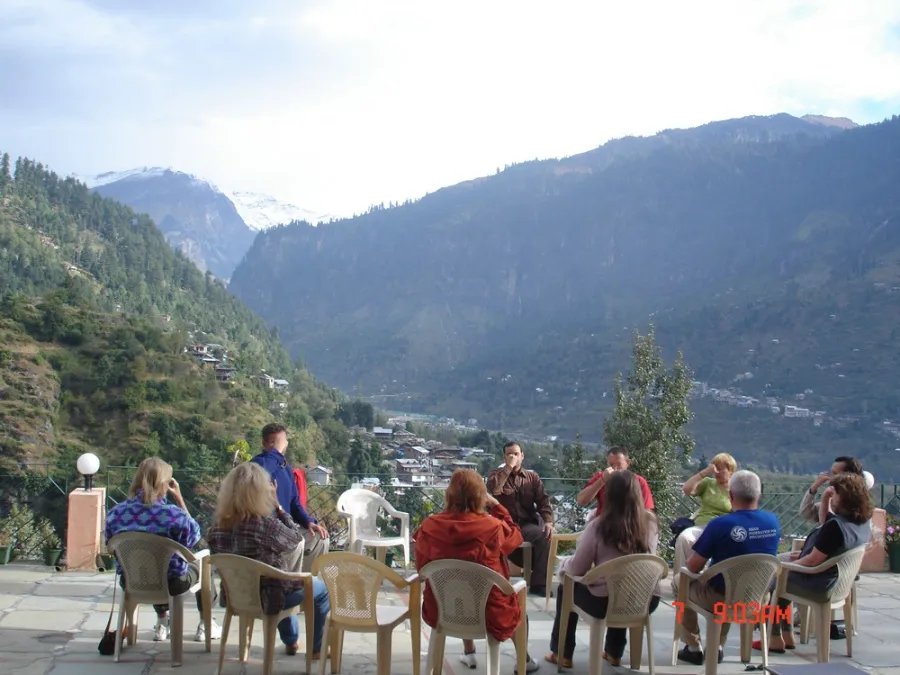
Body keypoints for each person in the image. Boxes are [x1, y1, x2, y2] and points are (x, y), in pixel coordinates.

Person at [414, 469, 540, 673]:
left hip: (442, 609)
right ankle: (523, 661)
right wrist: (497, 506)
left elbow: (421, 568)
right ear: (481, 496)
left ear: (449, 494)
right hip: (490, 614)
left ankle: (469, 652)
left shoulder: (429, 527)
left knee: (460, 586)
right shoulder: (493, 527)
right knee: (513, 603)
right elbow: (516, 537)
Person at [207, 462, 331, 657]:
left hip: (235, 597)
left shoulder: (215, 530)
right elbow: (296, 539)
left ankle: (292, 641)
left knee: (281, 579)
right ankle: (317, 648)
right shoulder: (265, 526)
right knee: (318, 589)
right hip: (268, 599)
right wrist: (279, 508)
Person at [546, 471, 661, 669]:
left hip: (604, 604)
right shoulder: (651, 522)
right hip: (647, 599)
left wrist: (563, 565)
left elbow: (577, 568)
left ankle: (562, 654)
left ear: (609, 495)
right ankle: (614, 652)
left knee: (566, 588)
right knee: (623, 583)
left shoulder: (599, 526)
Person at [105, 457, 221, 643]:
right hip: (173, 584)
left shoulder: (115, 513)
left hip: (131, 581)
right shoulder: (173, 515)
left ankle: (161, 622)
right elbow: (194, 537)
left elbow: (110, 546)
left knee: (149, 566)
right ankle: (206, 624)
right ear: (164, 484)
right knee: (204, 562)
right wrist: (179, 499)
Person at [754, 472, 872, 653]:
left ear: (844, 496)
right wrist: (825, 499)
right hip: (839, 583)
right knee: (782, 577)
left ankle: (775, 636)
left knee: (773, 579)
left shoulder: (836, 527)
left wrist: (787, 565)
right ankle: (786, 634)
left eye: (835, 493)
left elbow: (812, 561)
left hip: (819, 584)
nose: (832, 495)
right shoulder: (859, 523)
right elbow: (825, 525)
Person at [676, 470, 780, 666]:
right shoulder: (773, 522)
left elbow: (693, 567)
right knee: (732, 582)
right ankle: (717, 646)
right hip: (758, 597)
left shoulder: (720, 524)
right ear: (759, 495)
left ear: (731, 495)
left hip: (721, 599)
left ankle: (693, 646)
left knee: (680, 582)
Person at [251, 423, 329, 573]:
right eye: (273, 442)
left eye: (280, 442)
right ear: (264, 443)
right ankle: (289, 583)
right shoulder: (258, 463)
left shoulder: (285, 467)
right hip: (267, 530)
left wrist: (308, 522)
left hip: (288, 526)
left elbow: (295, 502)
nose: (279, 446)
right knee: (295, 542)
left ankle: (308, 581)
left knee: (321, 539)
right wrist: (277, 452)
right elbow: (263, 472)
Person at [486, 442, 554, 597]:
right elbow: (495, 490)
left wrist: (548, 522)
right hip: (503, 525)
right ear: (504, 457)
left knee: (544, 536)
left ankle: (539, 584)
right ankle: (497, 584)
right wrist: (508, 468)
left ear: (522, 456)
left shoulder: (532, 477)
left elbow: (543, 501)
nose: (513, 457)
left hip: (526, 524)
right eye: (509, 454)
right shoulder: (495, 475)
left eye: (516, 454)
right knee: (492, 539)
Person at [672, 453, 736, 595]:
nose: (716, 472)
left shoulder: (735, 489)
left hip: (722, 529)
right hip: (702, 525)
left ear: (730, 470)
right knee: (684, 538)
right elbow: (687, 490)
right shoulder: (708, 483)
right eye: (715, 468)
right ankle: (681, 584)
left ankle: (707, 584)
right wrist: (705, 472)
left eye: (720, 469)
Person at [576, 446, 654, 518]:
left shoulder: (639, 481)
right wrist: (602, 481)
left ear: (627, 463)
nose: (615, 469)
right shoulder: (602, 477)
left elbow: (647, 511)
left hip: (629, 525)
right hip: (603, 525)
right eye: (611, 465)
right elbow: (581, 501)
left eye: (619, 465)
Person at [800, 456, 863, 525]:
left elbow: (828, 523)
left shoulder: (859, 507)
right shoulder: (830, 501)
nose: (831, 477)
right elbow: (806, 513)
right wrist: (814, 488)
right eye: (832, 473)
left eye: (835, 473)